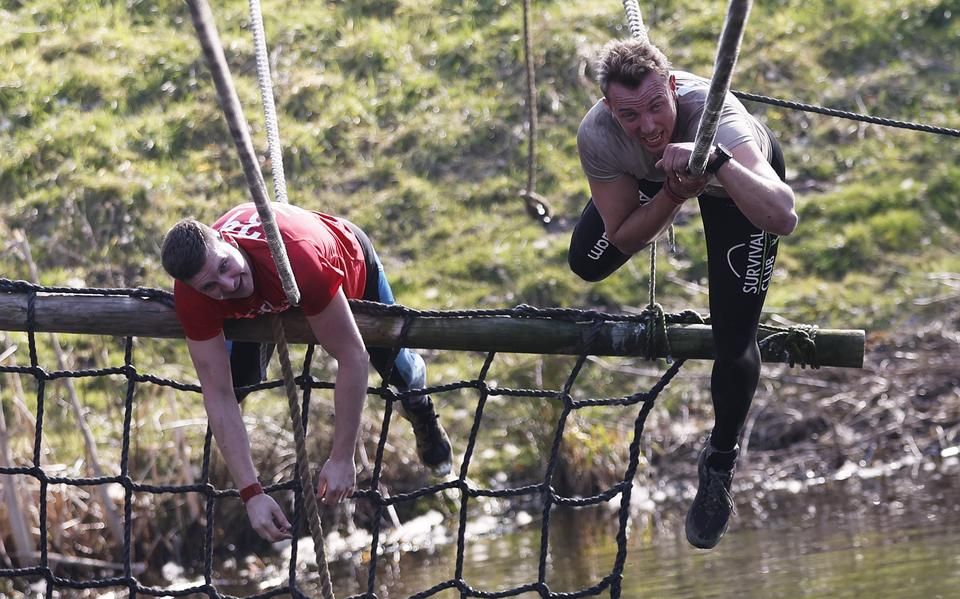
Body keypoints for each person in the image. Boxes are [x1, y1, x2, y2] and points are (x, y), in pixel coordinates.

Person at [567, 38, 798, 549]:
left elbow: (783, 216)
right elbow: (623, 239)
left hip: (733, 179)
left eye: (656, 106)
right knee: (588, 259)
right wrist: (672, 192)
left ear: (673, 88)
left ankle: (719, 461)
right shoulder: (601, 135)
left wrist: (713, 162)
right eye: (630, 115)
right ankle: (665, 181)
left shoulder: (721, 120)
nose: (648, 125)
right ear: (609, 109)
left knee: (733, 338)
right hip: (663, 178)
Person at [161, 201, 453, 543]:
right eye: (210, 286)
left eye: (225, 266)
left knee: (400, 374)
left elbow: (352, 356)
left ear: (231, 242)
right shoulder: (194, 295)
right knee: (236, 383)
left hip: (348, 265)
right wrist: (251, 493)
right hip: (263, 301)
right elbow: (218, 394)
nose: (227, 285)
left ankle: (420, 409)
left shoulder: (298, 259)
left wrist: (342, 457)